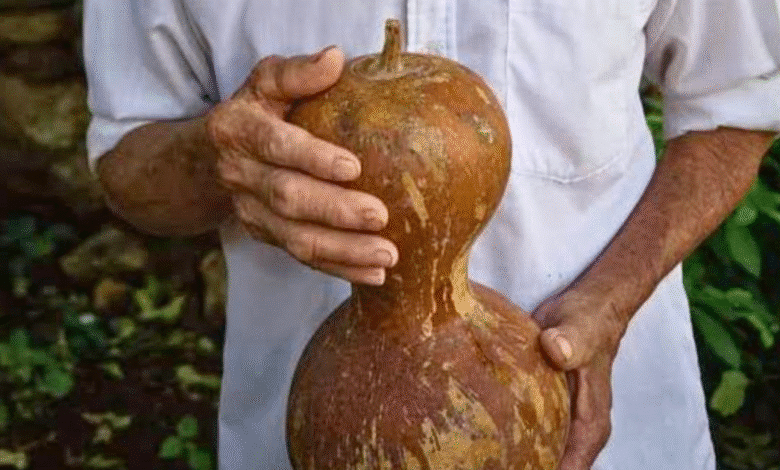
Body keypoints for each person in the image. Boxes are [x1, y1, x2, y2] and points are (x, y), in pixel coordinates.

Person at [82, 0, 780, 468]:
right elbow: (126, 161)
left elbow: (734, 105)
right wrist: (218, 159)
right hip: (313, 431)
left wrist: (614, 298)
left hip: (615, 434)